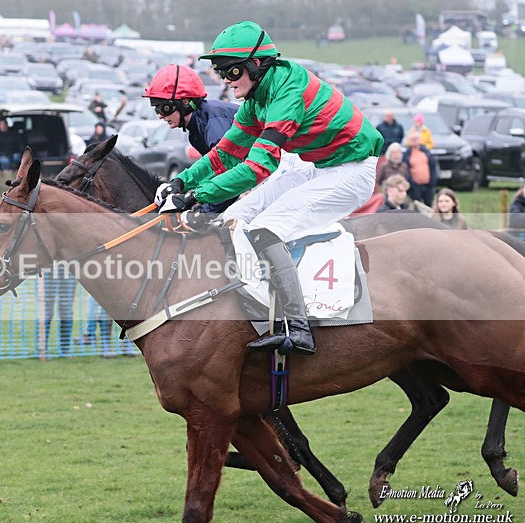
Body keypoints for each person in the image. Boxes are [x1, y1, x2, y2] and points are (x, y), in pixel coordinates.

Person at [155, 21, 383, 355]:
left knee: (264, 228)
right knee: (233, 220)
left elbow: (258, 168)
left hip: (351, 169)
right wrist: (181, 181)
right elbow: (225, 155)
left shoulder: (287, 92)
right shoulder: (254, 101)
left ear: (256, 64)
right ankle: (261, 307)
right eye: (221, 73)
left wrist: (192, 197)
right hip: (314, 165)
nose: (226, 82)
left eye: (231, 72)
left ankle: (298, 326)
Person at [143, 63, 240, 213]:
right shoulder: (195, 131)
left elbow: (228, 175)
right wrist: (180, 185)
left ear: (185, 102)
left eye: (164, 108)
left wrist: (204, 211)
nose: (160, 115)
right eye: (156, 109)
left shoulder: (212, 123)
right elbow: (210, 172)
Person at [403, 130, 438, 207]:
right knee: (416, 207)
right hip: (414, 187)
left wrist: (432, 182)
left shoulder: (427, 152)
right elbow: (406, 170)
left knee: (429, 206)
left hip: (428, 186)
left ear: (420, 140)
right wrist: (411, 185)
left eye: (416, 139)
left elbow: (433, 167)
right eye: (412, 139)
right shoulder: (406, 154)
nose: (414, 141)